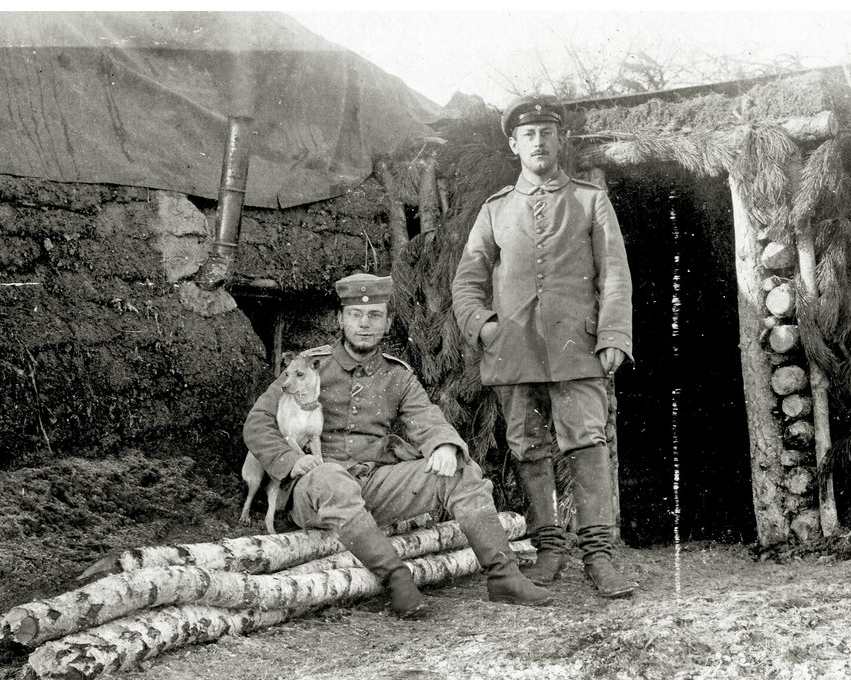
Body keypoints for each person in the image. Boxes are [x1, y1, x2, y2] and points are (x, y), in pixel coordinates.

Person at [242, 272, 550, 618]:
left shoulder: (397, 375)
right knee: (332, 478)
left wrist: (443, 446)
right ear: (339, 319)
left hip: (373, 484)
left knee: (461, 471)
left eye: (374, 316)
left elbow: (427, 417)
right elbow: (258, 422)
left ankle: (504, 575)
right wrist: (289, 461)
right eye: (356, 316)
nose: (364, 324)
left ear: (388, 323)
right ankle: (398, 581)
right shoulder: (311, 366)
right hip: (313, 491)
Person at [452, 95, 637, 599]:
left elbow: (615, 274)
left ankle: (599, 556)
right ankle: (549, 549)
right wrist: (486, 328)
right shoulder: (495, 210)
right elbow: (466, 281)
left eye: (547, 133)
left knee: (586, 444)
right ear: (514, 144)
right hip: (514, 354)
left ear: (560, 141)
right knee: (528, 448)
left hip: (578, 349)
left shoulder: (588, 200)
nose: (538, 141)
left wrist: (614, 335)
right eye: (528, 134)